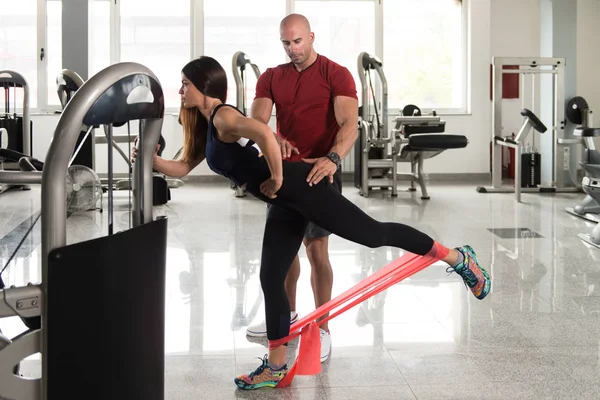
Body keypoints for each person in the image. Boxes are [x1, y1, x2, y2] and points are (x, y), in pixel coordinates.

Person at [132, 55, 491, 391]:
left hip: (303, 189)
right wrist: (150, 159)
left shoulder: (224, 117)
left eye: (185, 84)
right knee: (271, 276)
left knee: (373, 234)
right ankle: (275, 366)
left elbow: (266, 135)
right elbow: (182, 167)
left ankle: (458, 258)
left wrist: (274, 177)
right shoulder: (208, 125)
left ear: (204, 86)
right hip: (285, 202)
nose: (180, 91)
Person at [244, 14, 358, 363]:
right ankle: (288, 317)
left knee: (316, 251)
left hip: (320, 173)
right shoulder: (271, 77)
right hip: (284, 174)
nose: (292, 49)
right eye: (286, 43)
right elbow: (257, 121)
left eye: (297, 41)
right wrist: (275, 139)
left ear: (311, 37)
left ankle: (322, 328)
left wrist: (333, 159)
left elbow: (349, 123)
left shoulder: (335, 73)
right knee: (285, 252)